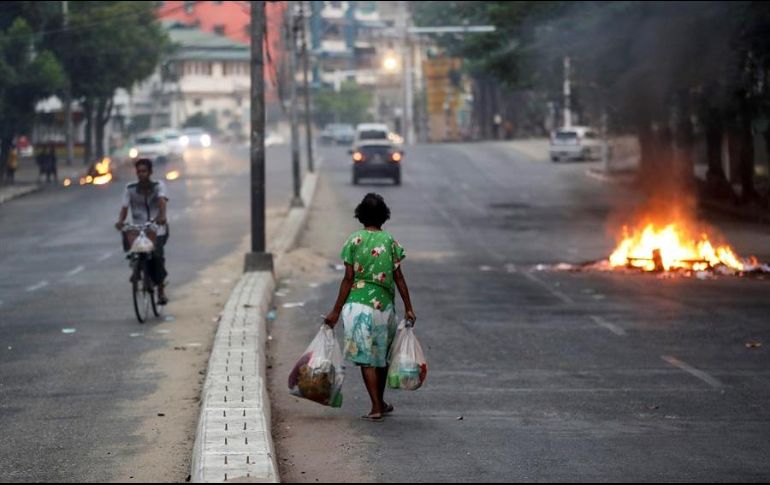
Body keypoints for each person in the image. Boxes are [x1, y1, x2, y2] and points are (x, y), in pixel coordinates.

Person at [324, 193, 417, 422]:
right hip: (383, 307)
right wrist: (408, 307)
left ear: (360, 215)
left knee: (366, 359)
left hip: (356, 306)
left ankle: (376, 406)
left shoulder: (353, 241)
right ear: (384, 216)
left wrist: (336, 311)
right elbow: (399, 277)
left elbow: (347, 279)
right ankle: (380, 403)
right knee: (382, 357)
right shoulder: (390, 241)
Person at [114, 158, 170, 305]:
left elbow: (162, 202)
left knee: (157, 256)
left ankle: (161, 290)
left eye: (144, 171)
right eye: (138, 172)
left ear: (150, 172)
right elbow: (124, 208)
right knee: (130, 240)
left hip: (157, 228)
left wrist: (162, 217)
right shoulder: (130, 188)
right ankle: (137, 267)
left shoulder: (159, 186)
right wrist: (120, 221)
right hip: (138, 228)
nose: (141, 174)